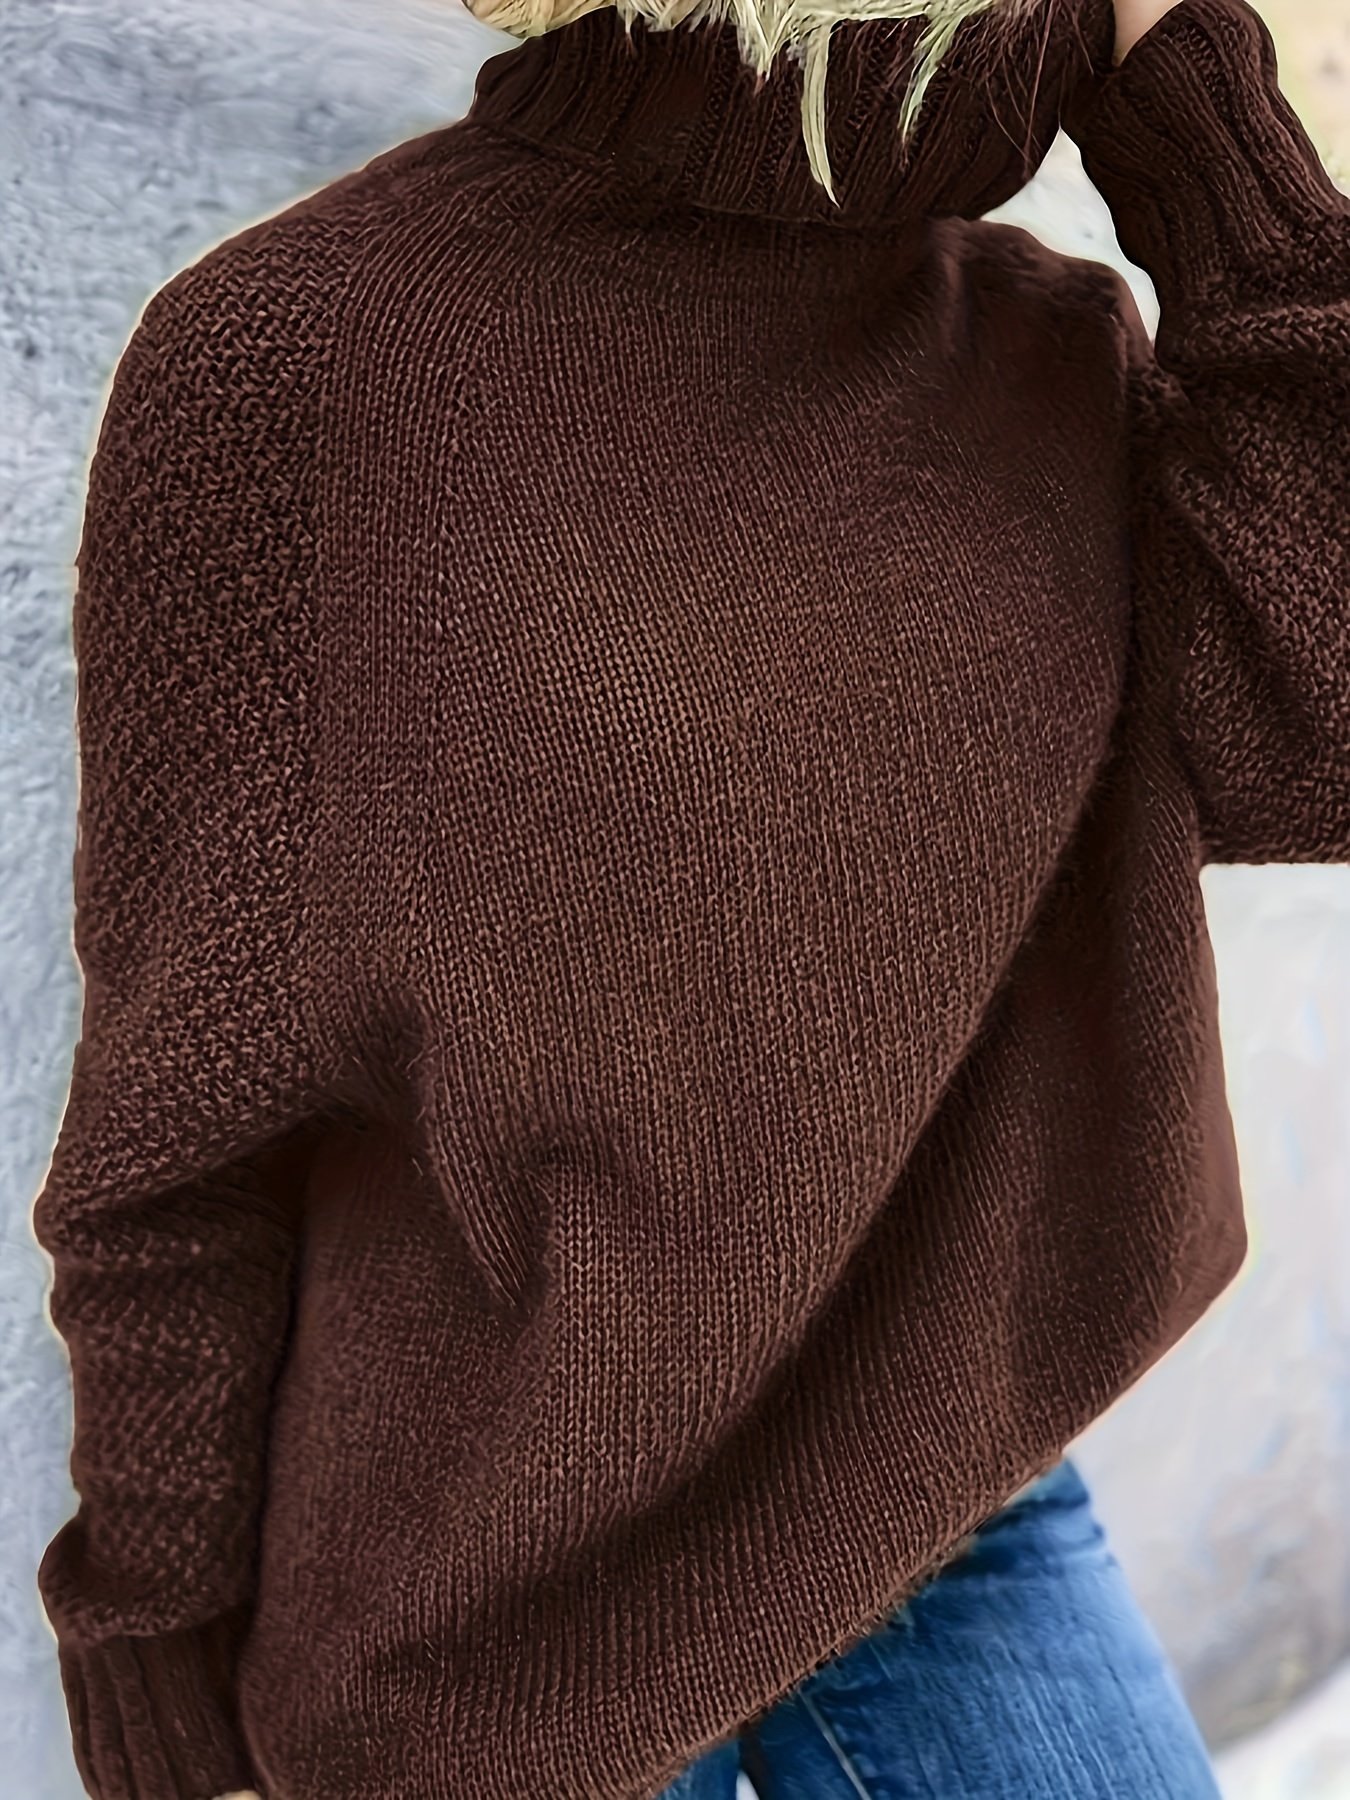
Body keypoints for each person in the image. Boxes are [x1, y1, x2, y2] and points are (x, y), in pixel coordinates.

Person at [29, 0, 1347, 1795]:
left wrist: (1209, 135)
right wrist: (156, 1675)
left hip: (949, 1513)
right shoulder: (300, 361)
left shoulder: (1045, 349)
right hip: (473, 1610)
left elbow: (1320, 743)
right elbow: (183, 1121)